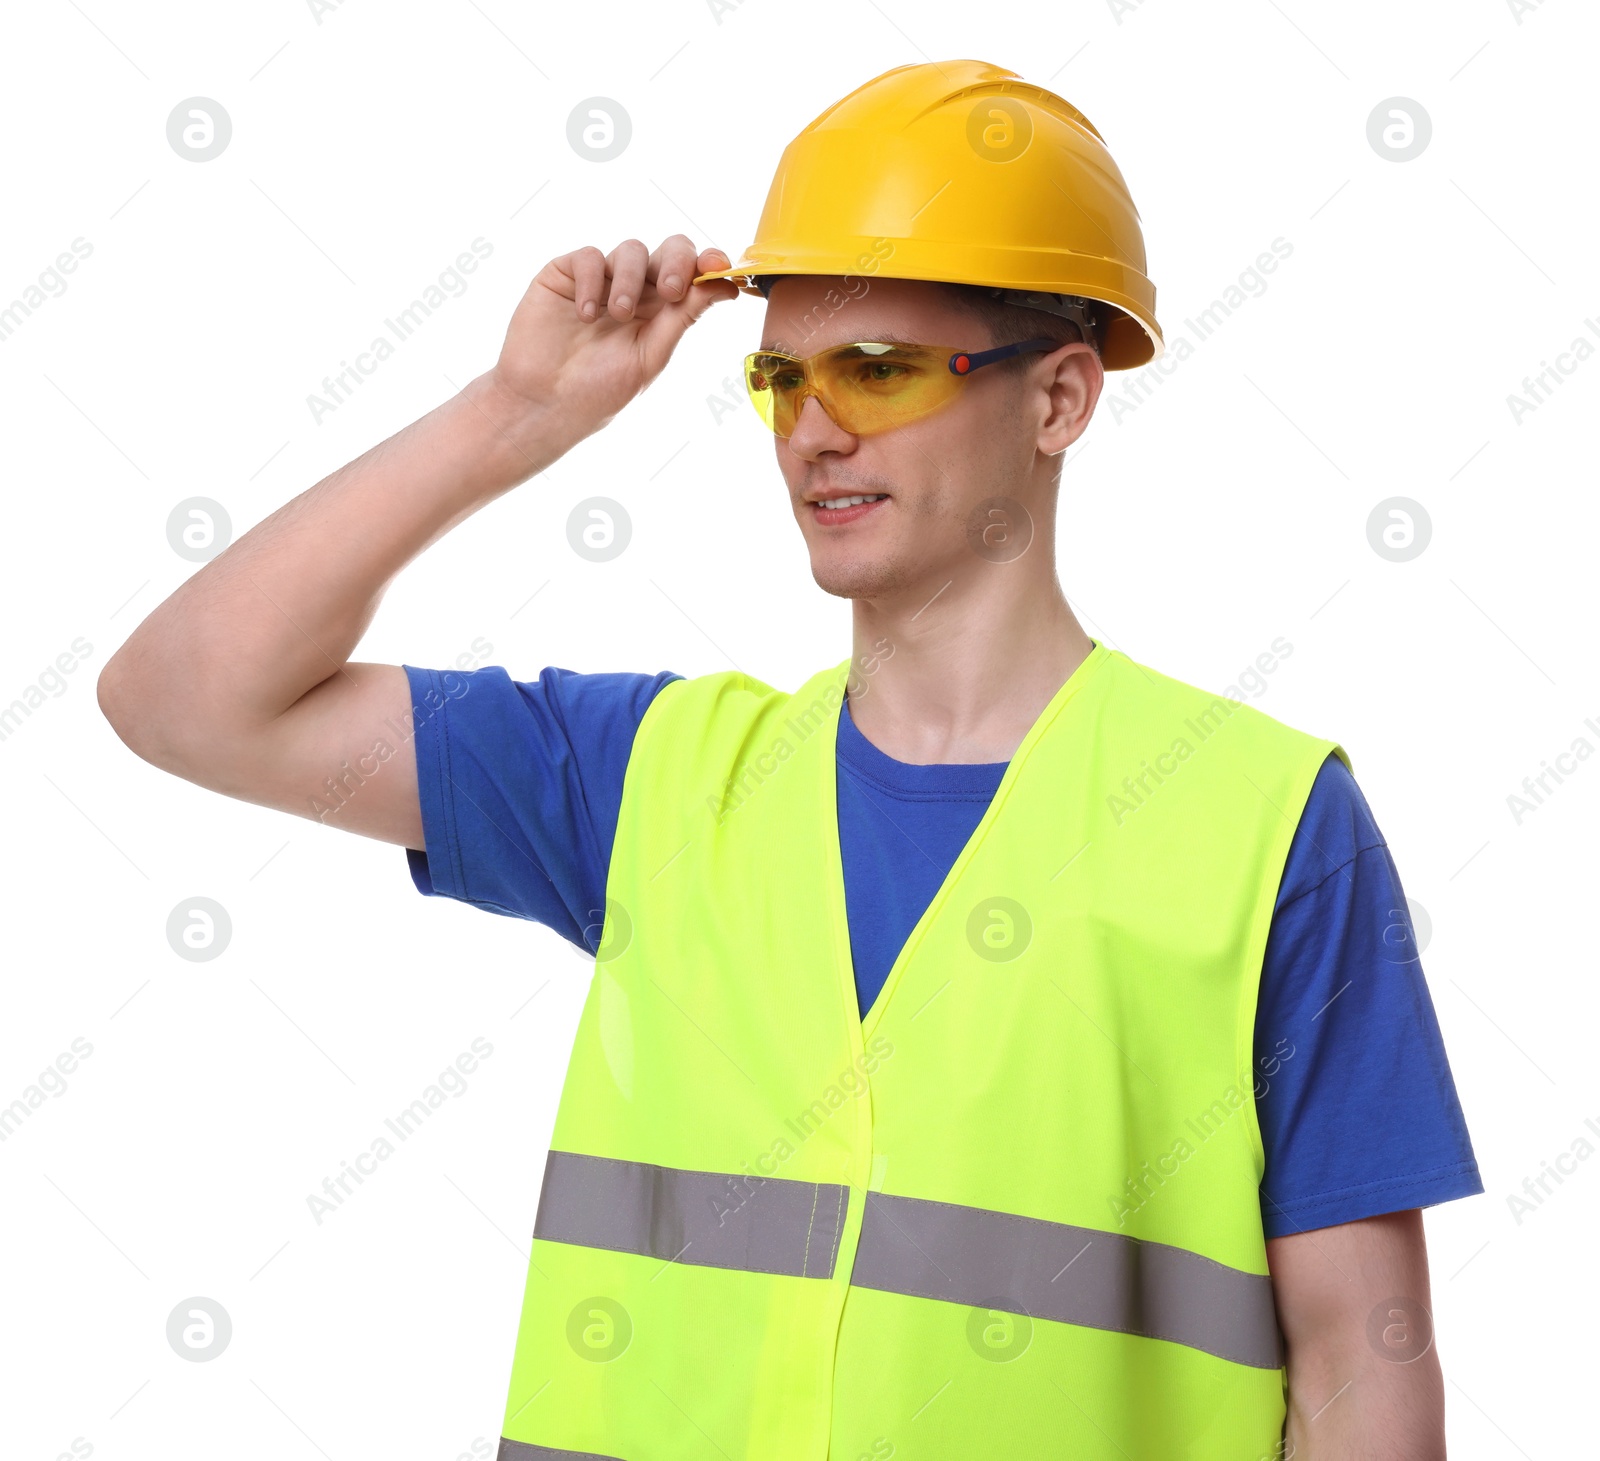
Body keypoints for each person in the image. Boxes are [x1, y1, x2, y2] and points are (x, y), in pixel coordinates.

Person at [100, 59, 1480, 1461]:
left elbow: (1362, 1374)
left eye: (876, 369)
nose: (816, 429)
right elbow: (187, 698)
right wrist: (518, 414)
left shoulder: (1262, 824)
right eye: (782, 376)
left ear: (1060, 399)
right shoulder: (648, 776)